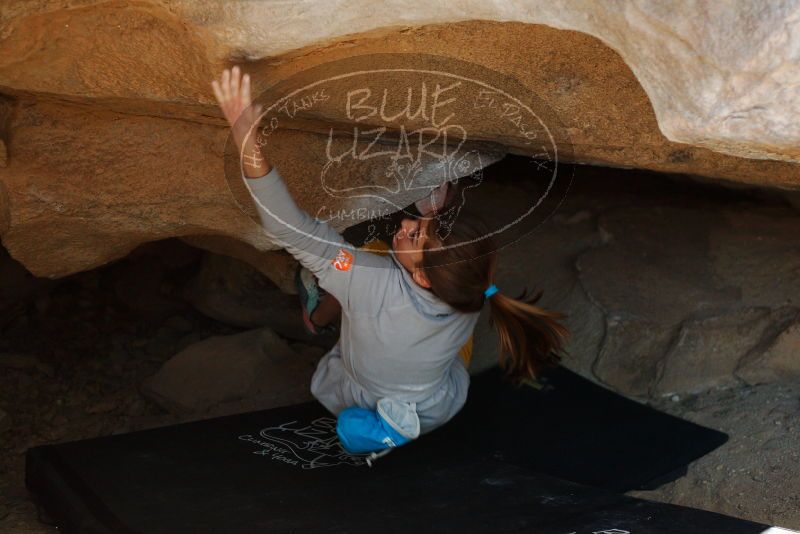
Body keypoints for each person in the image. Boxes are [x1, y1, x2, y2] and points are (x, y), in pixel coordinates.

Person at [212, 66, 569, 459]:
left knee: (357, 263)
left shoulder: (373, 282)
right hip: (435, 406)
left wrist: (246, 136)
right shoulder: (473, 285)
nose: (405, 222)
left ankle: (319, 317)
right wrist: (433, 215)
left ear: (421, 276)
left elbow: (291, 229)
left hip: (362, 394)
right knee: (385, 275)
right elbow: (447, 256)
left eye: (415, 234)